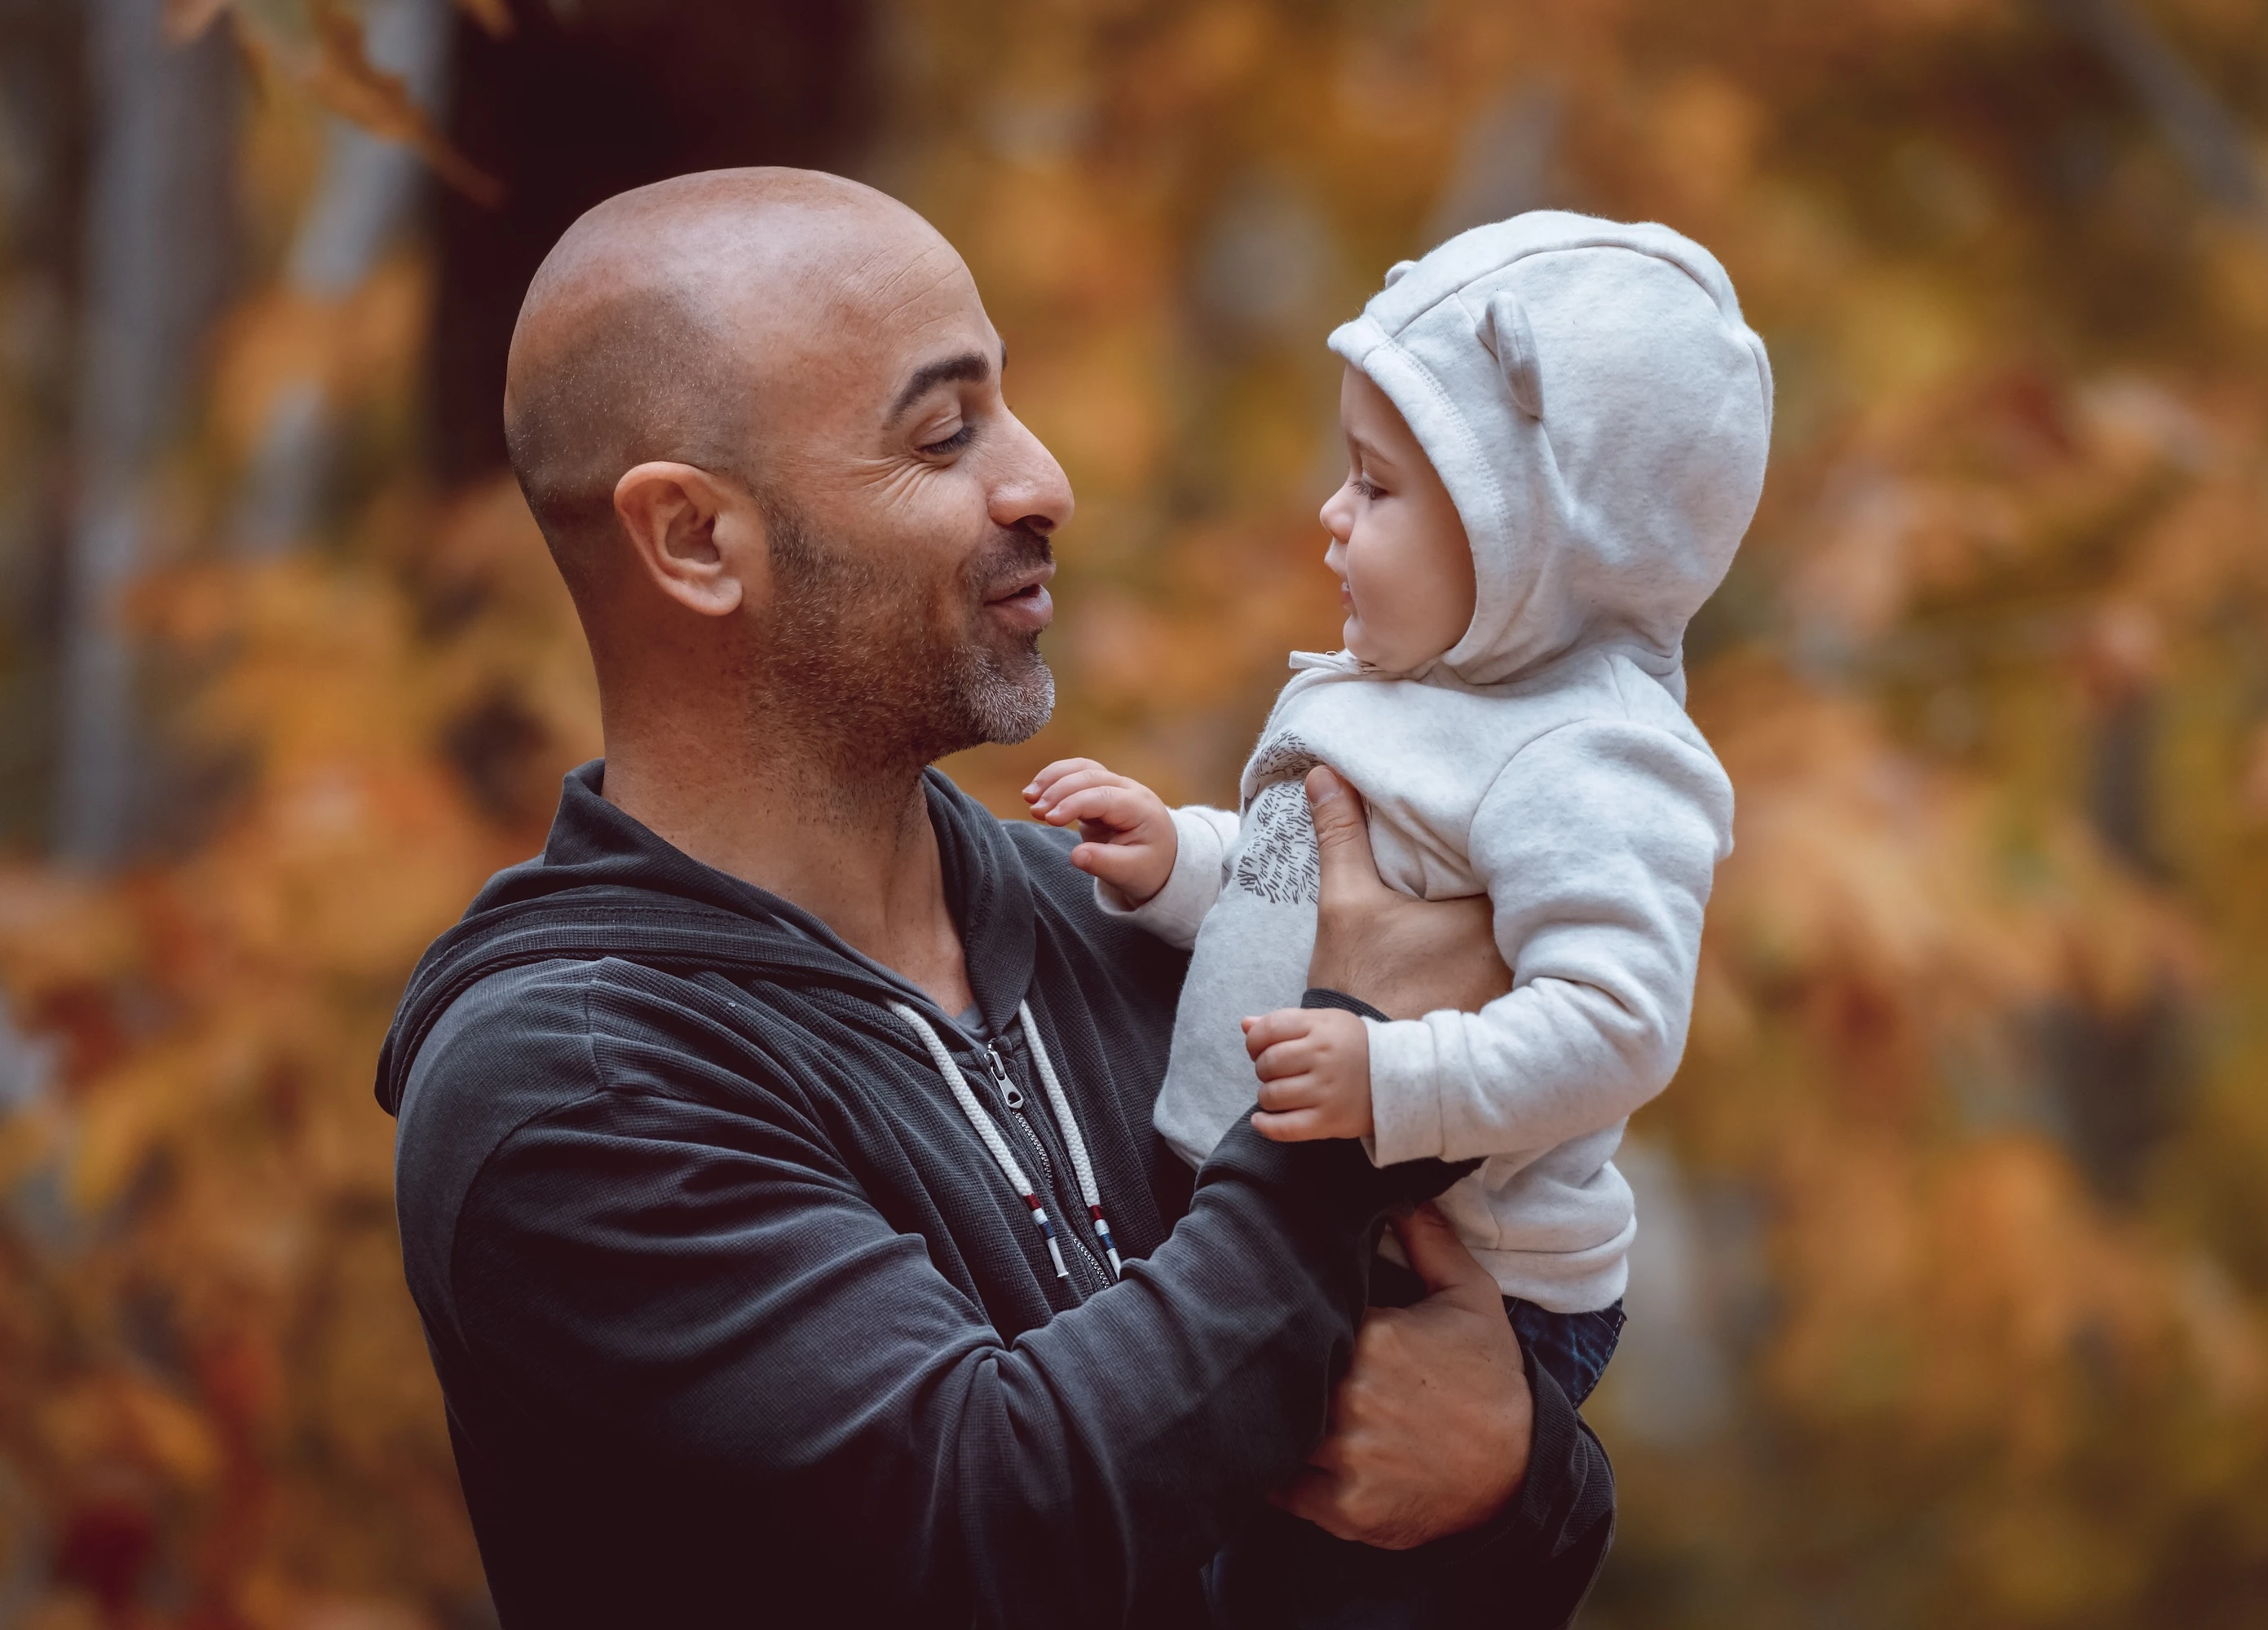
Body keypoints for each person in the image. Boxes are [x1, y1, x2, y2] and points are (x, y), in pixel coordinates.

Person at [373, 169, 1616, 1628]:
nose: (1042, 483)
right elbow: (986, 1522)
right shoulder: (569, 1090)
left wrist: (1517, 1482)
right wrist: (1346, 1103)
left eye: (1007, 407)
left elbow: (1401, 1469)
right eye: (945, 433)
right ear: (696, 540)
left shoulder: (1117, 921)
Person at [1024, 214, 1771, 1410]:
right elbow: (1307, 889)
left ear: (1532, 538)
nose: (1332, 511)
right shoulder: (1406, 693)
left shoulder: (1593, 757)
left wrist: (1395, 1074)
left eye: (1377, 485)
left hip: (1454, 1280)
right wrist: (1177, 858)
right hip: (1265, 1221)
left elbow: (1617, 1024)